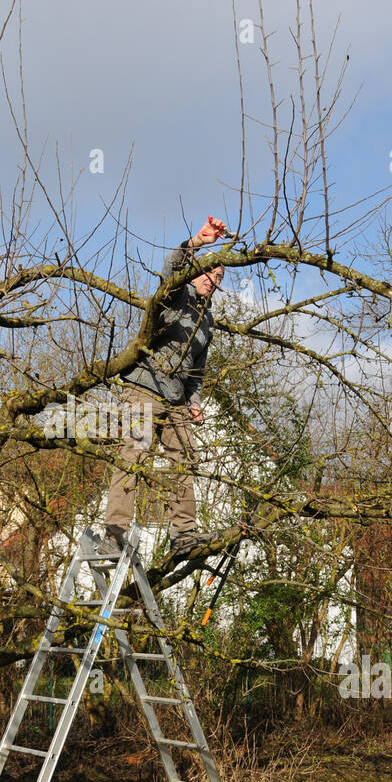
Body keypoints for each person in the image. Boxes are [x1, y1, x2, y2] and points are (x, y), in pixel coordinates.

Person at [100, 216, 227, 557]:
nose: (212, 281)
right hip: (144, 388)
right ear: (196, 272)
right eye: (208, 273)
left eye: (218, 277)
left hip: (176, 399)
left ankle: (183, 533)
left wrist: (195, 400)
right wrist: (198, 243)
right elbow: (172, 266)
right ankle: (113, 535)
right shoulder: (176, 296)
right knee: (133, 457)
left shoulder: (208, 321)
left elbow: (197, 370)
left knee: (186, 458)